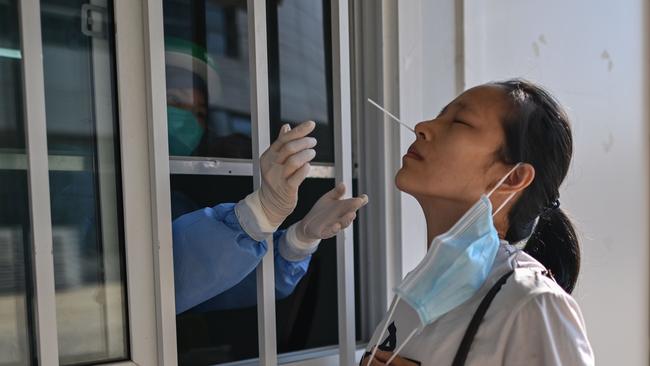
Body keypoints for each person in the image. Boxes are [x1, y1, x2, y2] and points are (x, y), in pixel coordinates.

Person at [360, 79, 594, 365]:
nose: (423, 126)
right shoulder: (417, 291)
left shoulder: (531, 301)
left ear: (512, 178)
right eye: (439, 115)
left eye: (460, 121)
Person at [164, 37, 368, 314]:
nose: (187, 119)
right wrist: (259, 211)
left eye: (198, 112)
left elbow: (217, 282)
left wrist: (297, 240)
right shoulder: (95, 180)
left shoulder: (178, 201)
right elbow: (150, 279)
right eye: (174, 101)